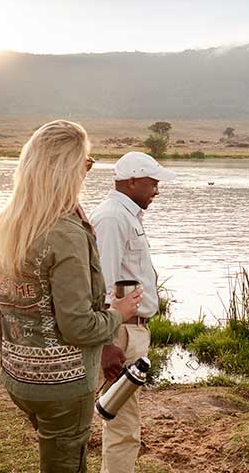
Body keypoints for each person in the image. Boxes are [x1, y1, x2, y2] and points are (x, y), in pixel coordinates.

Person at [0, 120, 141, 473]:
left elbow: (2, 307)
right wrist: (118, 312)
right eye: (86, 164)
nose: (86, 174)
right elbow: (78, 327)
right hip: (63, 384)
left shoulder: (7, 224)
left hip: (18, 376)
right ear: (68, 169)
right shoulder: (65, 234)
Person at [89, 151, 176, 473]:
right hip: (120, 331)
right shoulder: (113, 218)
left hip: (128, 330)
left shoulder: (124, 215)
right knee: (123, 425)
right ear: (133, 182)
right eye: (152, 183)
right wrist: (108, 342)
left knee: (119, 416)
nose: (157, 190)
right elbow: (104, 284)